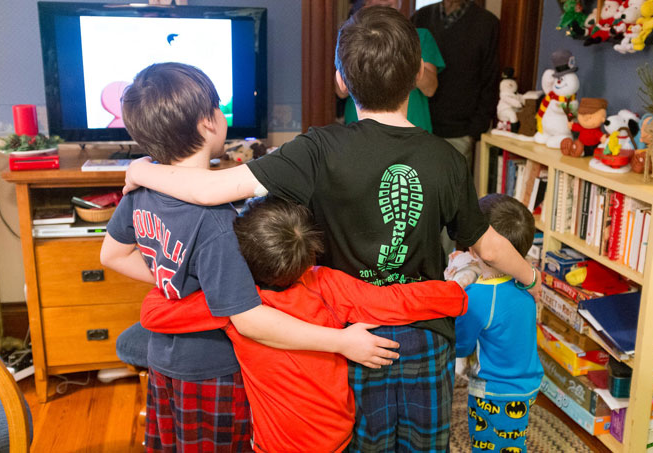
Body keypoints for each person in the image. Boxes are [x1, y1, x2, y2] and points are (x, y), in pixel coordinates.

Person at [124, 7, 540, 451]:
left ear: (341, 80)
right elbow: (489, 248)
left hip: (348, 332)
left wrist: (141, 170)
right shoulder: (447, 158)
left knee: (356, 440)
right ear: (416, 74)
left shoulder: (316, 148)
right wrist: (531, 278)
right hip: (424, 332)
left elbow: (210, 189)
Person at [100, 62, 401, 452]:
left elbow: (112, 255)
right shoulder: (217, 223)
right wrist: (341, 341)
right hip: (213, 369)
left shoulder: (139, 193)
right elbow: (251, 321)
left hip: (163, 359)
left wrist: (173, 276)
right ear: (208, 123)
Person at [139, 195, 480, 452]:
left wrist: (202, 274)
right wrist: (457, 287)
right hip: (335, 434)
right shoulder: (326, 285)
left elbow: (152, 313)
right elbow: (397, 301)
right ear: (309, 254)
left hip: (277, 442)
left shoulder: (231, 302)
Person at [447, 194, 544, 453]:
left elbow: (460, 346)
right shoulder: (525, 281)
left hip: (495, 391)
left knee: (488, 446)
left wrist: (454, 290)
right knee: (511, 442)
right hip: (526, 382)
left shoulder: (479, 296)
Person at [412, 0, 500, 166]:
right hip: (420, 127)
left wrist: (475, 130)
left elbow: (490, 79)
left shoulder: (487, 23)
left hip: (460, 133)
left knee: (454, 182)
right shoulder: (421, 17)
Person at [335, 0, 445, 133]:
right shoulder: (351, 38)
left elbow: (430, 89)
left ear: (399, 2)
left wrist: (404, 56)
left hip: (412, 129)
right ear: (364, 3)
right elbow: (341, 91)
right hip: (361, 130)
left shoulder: (421, 36)